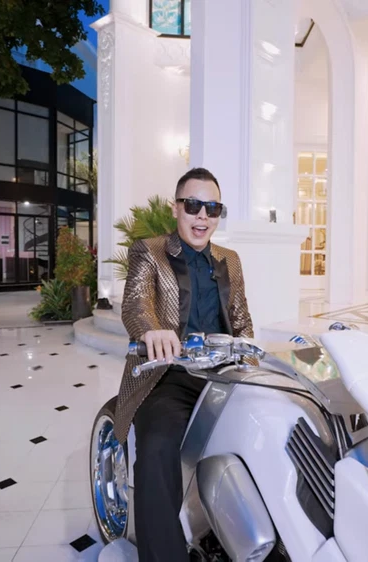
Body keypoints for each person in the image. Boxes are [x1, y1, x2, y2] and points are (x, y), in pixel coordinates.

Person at [113, 167, 253, 561]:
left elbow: (242, 321)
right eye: (193, 205)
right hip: (168, 375)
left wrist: (248, 357)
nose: (202, 216)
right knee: (156, 448)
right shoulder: (150, 251)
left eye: (212, 208)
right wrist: (152, 332)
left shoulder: (230, 259)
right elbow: (136, 304)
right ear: (176, 208)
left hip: (224, 376)